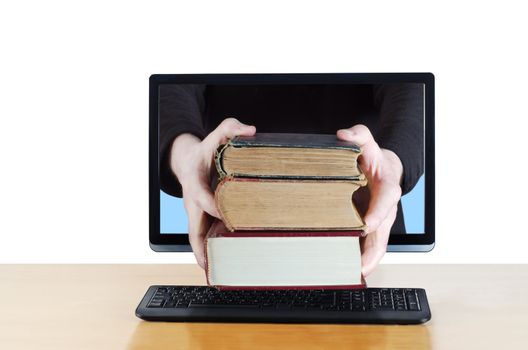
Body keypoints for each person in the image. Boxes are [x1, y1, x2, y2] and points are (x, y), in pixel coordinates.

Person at [159, 84, 424, 276]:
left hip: (361, 226)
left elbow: (409, 82)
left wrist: (390, 163)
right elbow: (174, 82)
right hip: (233, 230)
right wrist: (185, 155)